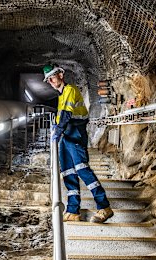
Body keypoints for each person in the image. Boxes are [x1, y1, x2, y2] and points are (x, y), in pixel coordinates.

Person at [43, 63, 114, 223]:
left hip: (75, 133)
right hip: (67, 135)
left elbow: (67, 115)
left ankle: (104, 207)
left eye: (52, 78)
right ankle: (73, 210)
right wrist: (57, 127)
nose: (51, 82)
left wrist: (57, 131)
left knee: (82, 169)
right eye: (48, 80)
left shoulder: (70, 90)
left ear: (60, 75)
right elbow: (61, 117)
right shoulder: (61, 95)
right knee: (67, 172)